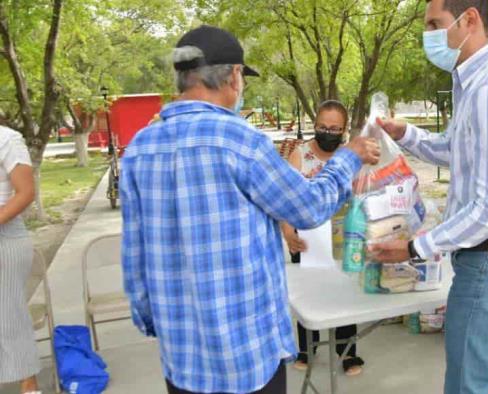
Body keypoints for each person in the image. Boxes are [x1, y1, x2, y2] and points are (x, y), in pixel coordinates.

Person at [119, 25, 379, 394]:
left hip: (182, 359)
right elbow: (308, 207)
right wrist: (348, 157)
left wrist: (153, 321)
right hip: (248, 359)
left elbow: (134, 255)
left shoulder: (140, 148)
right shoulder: (243, 143)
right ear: (234, 77)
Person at [371, 1, 488, 393]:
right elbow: (458, 150)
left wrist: (415, 248)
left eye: (436, 24)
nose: (428, 36)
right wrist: (406, 134)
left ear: (470, 19)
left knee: (468, 380)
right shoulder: (480, 83)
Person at [280, 100, 365, 376]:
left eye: (335, 128)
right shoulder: (300, 155)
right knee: (309, 295)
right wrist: (288, 233)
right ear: (315, 126)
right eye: (323, 127)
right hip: (306, 240)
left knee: (345, 292)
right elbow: (285, 198)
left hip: (343, 238)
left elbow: (362, 196)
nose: (328, 132)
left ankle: (347, 352)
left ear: (344, 130)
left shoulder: (349, 156)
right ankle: (307, 348)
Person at [0, 126, 41, 394]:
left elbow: (26, 192)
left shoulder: (7, 139)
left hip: (6, 238)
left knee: (8, 317)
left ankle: (29, 387)